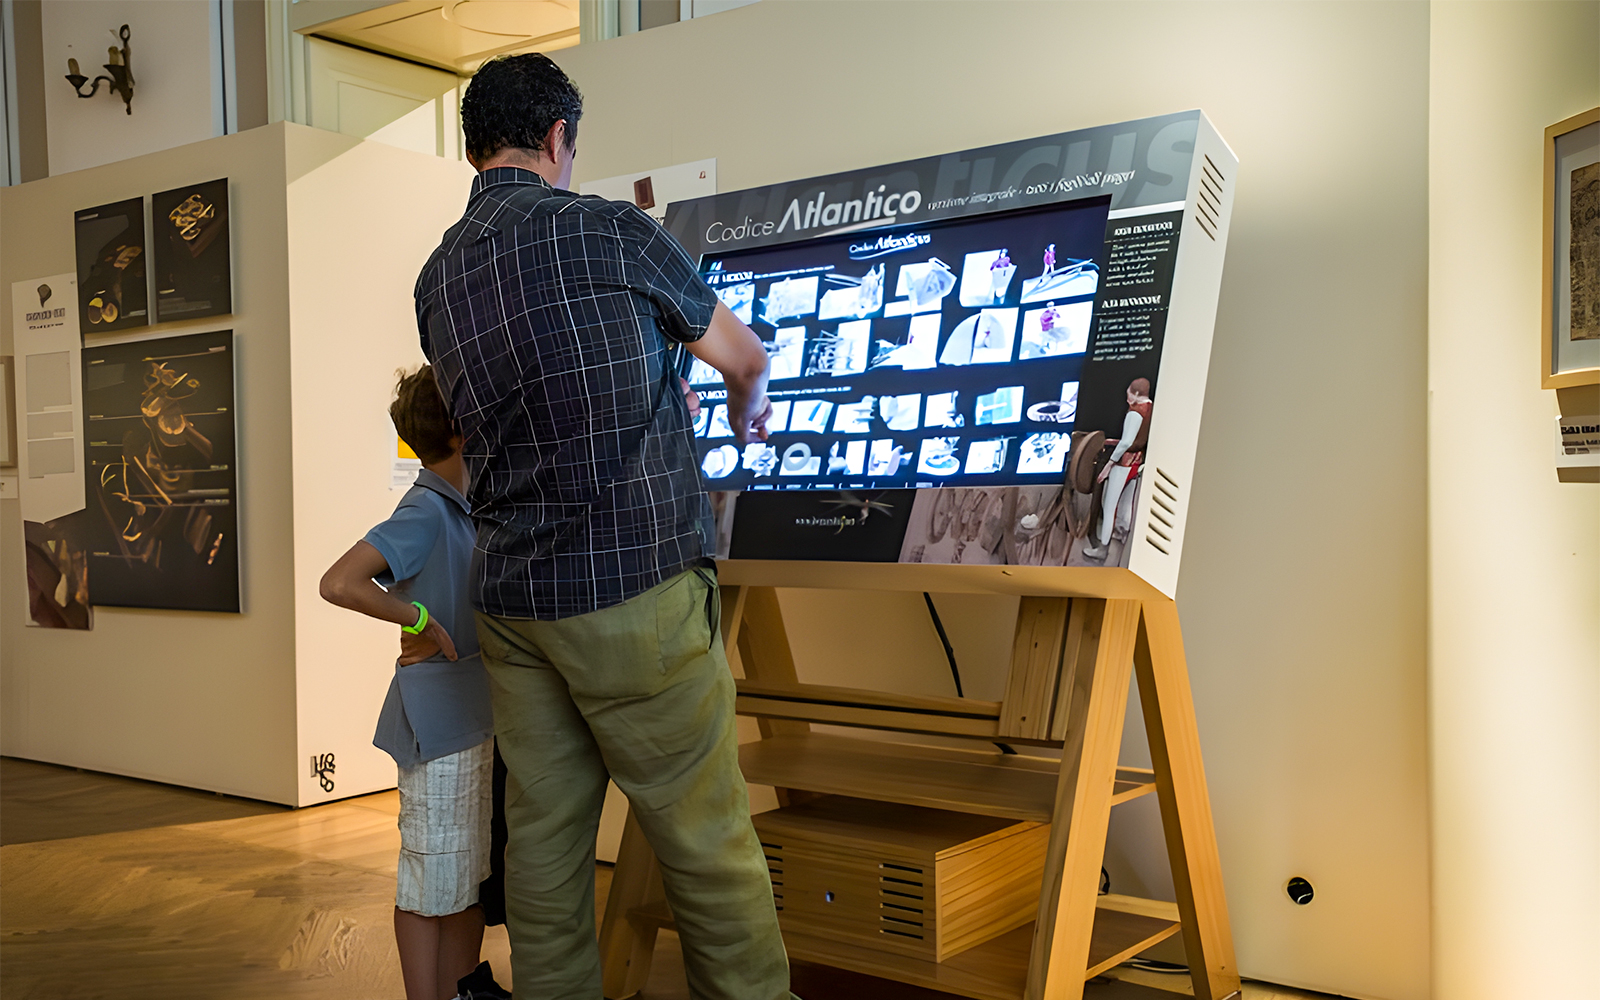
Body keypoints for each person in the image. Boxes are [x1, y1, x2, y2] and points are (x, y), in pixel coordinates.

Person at [413, 54, 793, 1000]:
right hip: (635, 595)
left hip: (511, 603)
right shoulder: (612, 232)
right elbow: (742, 354)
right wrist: (747, 408)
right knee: (705, 841)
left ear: (474, 147)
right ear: (557, 139)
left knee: (543, 846)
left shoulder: (438, 278)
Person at [319, 367, 509, 1000]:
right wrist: (418, 617)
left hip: (474, 715)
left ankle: (463, 991)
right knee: (429, 883)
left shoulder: (465, 505)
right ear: (460, 429)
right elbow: (339, 582)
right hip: (438, 724)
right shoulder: (425, 508)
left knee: (465, 880)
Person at [1082, 378, 1153, 561]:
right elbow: (1138, 438)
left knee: (1110, 504)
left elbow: (1128, 442)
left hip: (1124, 463)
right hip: (1138, 462)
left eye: (1129, 391)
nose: (1126, 393)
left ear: (1135, 394)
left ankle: (1102, 550)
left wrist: (1109, 464)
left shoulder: (1134, 413)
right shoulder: (1149, 408)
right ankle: (1122, 534)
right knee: (1126, 503)